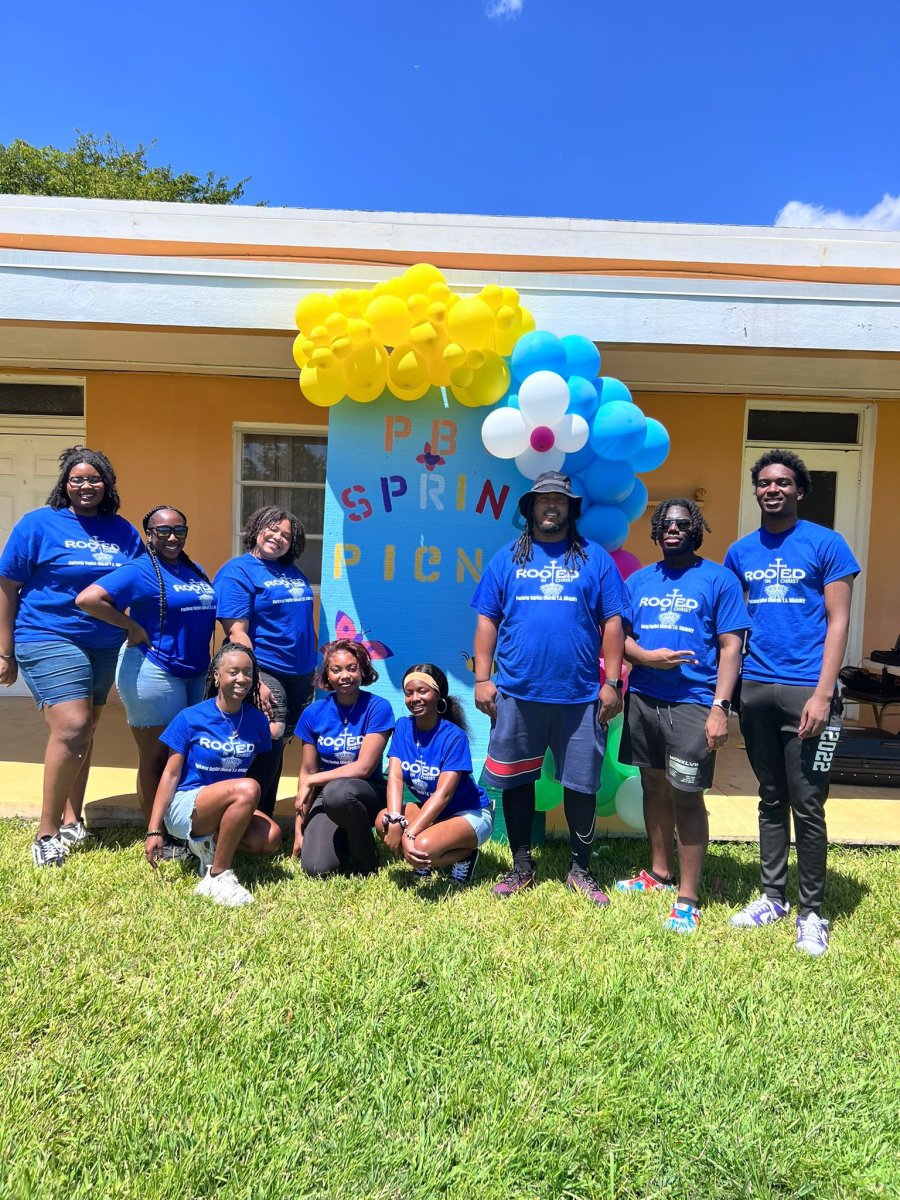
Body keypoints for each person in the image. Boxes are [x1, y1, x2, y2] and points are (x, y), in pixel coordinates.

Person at [724, 450, 860, 957]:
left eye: (783, 482)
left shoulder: (827, 544)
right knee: (770, 795)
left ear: (800, 490)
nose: (772, 489)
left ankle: (812, 912)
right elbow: (733, 628)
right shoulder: (740, 552)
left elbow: (839, 620)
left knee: (807, 802)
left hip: (809, 691)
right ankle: (772, 897)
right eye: (764, 483)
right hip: (756, 691)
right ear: (756, 491)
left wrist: (824, 693)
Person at [472, 471, 627, 905]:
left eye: (559, 500)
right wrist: (483, 679)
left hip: (579, 695)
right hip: (518, 692)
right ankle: (521, 866)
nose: (551, 506)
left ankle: (581, 869)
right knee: (516, 781)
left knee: (581, 784)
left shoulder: (595, 559)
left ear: (571, 509)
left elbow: (612, 622)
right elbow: (487, 618)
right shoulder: (507, 558)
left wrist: (611, 682)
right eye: (543, 500)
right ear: (531, 508)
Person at [0, 446, 143, 867]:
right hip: (45, 635)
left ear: (107, 485)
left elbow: (136, 582)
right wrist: (4, 651)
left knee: (89, 728)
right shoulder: (38, 524)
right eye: (77, 479)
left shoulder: (122, 530)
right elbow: (7, 586)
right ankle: (46, 833)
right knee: (73, 725)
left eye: (94, 479)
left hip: (103, 642)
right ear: (65, 484)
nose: (86, 485)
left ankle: (71, 818)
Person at [616, 498, 748, 932]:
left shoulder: (718, 579)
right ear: (655, 532)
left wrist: (720, 707)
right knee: (653, 785)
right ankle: (659, 873)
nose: (674, 530)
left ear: (697, 530)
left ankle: (688, 897)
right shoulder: (637, 581)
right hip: (645, 700)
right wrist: (649, 660)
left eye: (683, 524)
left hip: (694, 702)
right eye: (666, 524)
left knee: (687, 794)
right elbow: (621, 640)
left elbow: (732, 646)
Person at [76, 506, 216, 857]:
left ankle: (184, 826)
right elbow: (89, 599)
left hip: (195, 671)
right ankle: (160, 834)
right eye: (162, 530)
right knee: (156, 755)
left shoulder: (191, 568)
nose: (172, 537)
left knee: (186, 754)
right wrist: (131, 626)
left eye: (179, 530)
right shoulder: (139, 570)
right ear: (149, 534)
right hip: (155, 670)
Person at [144, 642, 281, 905]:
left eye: (247, 672)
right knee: (249, 787)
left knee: (270, 838)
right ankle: (218, 876)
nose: (242, 678)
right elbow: (170, 775)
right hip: (188, 805)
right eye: (233, 672)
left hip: (231, 801)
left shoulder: (256, 721)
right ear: (217, 676)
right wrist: (154, 829)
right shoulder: (190, 717)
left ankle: (206, 847)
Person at [214, 506, 316, 817]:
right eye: (272, 529)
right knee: (268, 739)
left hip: (301, 673)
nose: (278, 537)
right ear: (257, 530)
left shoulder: (293, 573)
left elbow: (303, 623)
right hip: (266, 667)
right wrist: (254, 679)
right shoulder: (238, 571)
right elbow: (235, 631)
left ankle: (259, 817)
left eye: (287, 534)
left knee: (278, 741)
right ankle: (253, 818)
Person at [377, 663, 493, 884]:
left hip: (471, 813)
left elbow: (444, 794)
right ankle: (429, 854)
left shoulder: (454, 736)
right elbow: (395, 777)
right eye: (409, 693)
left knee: (419, 846)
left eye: (422, 691)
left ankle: (465, 856)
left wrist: (410, 834)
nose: (415, 699)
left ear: (438, 695)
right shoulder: (402, 727)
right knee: (381, 821)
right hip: (436, 814)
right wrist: (394, 819)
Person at [293, 639, 394, 877]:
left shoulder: (378, 708)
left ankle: (367, 860)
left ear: (363, 669)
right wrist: (299, 830)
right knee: (316, 868)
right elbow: (307, 772)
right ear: (327, 674)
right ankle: (346, 841)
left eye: (351, 667)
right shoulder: (313, 713)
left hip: (368, 793)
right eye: (336, 670)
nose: (344, 676)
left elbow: (364, 767)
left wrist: (314, 779)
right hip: (328, 795)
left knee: (338, 792)